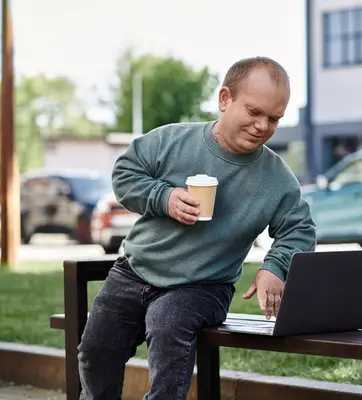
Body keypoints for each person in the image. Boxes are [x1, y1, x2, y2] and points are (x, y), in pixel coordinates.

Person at [77, 56, 317, 400]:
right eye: (254, 112)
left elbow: (299, 229)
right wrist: (164, 196)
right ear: (225, 99)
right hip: (135, 271)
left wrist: (274, 268)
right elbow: (125, 174)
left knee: (167, 318)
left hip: (204, 286)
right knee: (95, 350)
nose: (263, 126)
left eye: (274, 118)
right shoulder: (171, 141)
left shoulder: (277, 178)